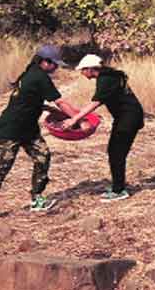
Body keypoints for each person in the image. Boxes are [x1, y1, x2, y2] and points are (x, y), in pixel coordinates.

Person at [0, 45, 79, 221]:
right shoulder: (39, 77)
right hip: (11, 129)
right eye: (55, 64)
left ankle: (37, 198)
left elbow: (30, 100)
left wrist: (50, 109)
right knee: (1, 170)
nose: (56, 68)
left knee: (43, 157)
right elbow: (60, 101)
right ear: (45, 62)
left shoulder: (31, 72)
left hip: (29, 129)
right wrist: (78, 118)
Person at [62, 55, 144, 202]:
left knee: (116, 152)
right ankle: (118, 186)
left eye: (83, 70)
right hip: (126, 117)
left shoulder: (105, 79)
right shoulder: (107, 76)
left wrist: (74, 119)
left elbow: (95, 103)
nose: (82, 73)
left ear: (90, 69)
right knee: (115, 151)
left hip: (128, 118)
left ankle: (119, 190)